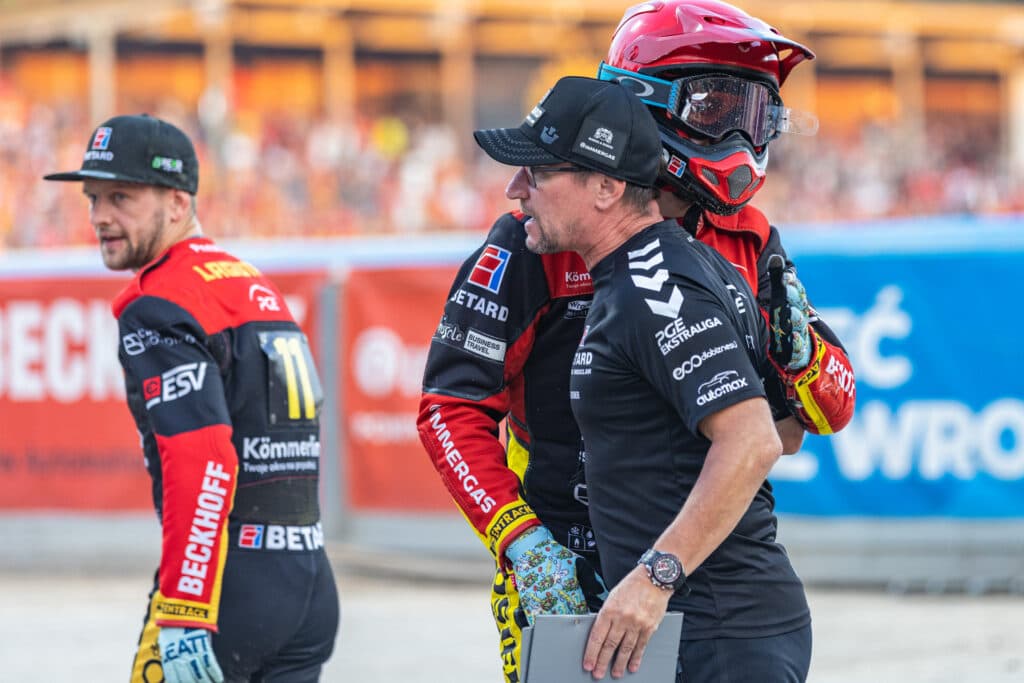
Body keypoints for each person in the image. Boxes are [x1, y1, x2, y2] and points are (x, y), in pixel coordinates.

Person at [418, 3, 854, 681]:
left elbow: (811, 419)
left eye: (753, 114)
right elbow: (450, 407)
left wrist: (804, 361)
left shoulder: (749, 237)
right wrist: (522, 542)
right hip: (560, 560)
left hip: (697, 563)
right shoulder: (533, 239)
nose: (737, 133)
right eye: (715, 108)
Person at [475, 74, 811, 682]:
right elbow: (785, 429)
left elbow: (757, 439)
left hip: (716, 631)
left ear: (606, 187)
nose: (515, 189)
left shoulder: (655, 285)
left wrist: (656, 576)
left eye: (540, 173)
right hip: (689, 628)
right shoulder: (658, 269)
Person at [44, 114, 339, 683]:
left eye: (121, 197)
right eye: (93, 198)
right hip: (309, 584)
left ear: (178, 203)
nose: (99, 216)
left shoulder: (160, 303)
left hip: (228, 592)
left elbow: (203, 459)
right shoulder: (251, 284)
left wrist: (185, 607)